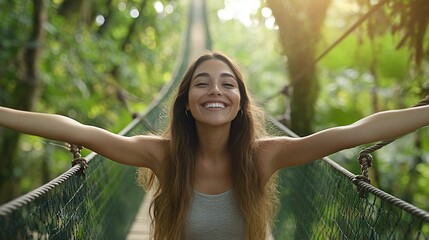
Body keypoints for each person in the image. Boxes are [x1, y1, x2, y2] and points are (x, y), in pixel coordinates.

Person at [0, 51, 428, 240]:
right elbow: (80, 131)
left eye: (228, 83)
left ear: (240, 102)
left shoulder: (264, 155)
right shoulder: (163, 155)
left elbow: (353, 132)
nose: (215, 90)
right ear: (187, 102)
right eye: (202, 83)